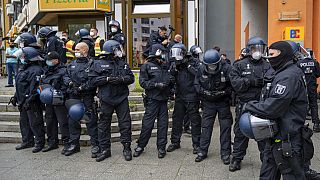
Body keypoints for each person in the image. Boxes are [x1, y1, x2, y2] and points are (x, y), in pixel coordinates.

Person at [244, 41, 308, 180]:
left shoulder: (288, 76)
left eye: (272, 55)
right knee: (267, 175)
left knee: (291, 175)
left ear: (283, 54)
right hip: (275, 137)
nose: (269, 58)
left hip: (287, 140)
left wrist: (249, 105)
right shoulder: (282, 72)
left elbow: (273, 107)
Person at [229, 37, 271, 172]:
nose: (257, 52)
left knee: (263, 132)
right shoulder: (239, 65)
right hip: (245, 104)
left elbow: (273, 82)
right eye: (254, 49)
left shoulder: (268, 65)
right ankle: (236, 158)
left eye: (260, 48)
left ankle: (266, 161)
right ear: (249, 49)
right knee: (240, 132)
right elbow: (235, 84)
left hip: (262, 104)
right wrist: (250, 81)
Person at [89, 40, 134, 162]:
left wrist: (121, 79)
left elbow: (131, 78)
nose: (120, 51)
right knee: (103, 125)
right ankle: (105, 149)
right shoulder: (98, 63)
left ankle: (126, 148)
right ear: (111, 50)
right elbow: (92, 81)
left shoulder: (122, 64)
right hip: (106, 98)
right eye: (117, 49)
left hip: (121, 98)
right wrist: (107, 79)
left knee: (125, 124)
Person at [194, 49, 233, 164]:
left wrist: (224, 93)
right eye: (209, 65)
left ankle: (225, 153)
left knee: (225, 128)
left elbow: (233, 85)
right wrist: (203, 92)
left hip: (223, 102)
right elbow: (196, 83)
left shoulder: (227, 68)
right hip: (208, 102)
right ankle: (202, 151)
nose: (211, 68)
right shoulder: (201, 68)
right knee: (206, 127)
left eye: (213, 65)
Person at [134, 44, 173, 159]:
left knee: (163, 125)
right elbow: (143, 83)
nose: (164, 56)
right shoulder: (146, 66)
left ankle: (161, 147)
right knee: (147, 125)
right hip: (152, 100)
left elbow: (169, 82)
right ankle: (141, 145)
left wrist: (171, 86)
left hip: (163, 100)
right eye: (162, 53)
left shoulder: (165, 67)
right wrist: (155, 85)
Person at [63, 42, 99, 157]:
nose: (76, 51)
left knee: (90, 121)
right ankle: (74, 145)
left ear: (84, 50)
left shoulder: (92, 63)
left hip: (87, 96)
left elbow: (94, 79)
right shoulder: (71, 64)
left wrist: (82, 87)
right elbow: (65, 75)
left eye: (78, 49)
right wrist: (70, 84)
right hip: (73, 96)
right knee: (72, 120)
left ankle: (95, 145)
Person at [166, 43, 201, 154]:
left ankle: (197, 144)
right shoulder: (175, 63)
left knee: (194, 121)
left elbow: (199, 74)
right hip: (180, 96)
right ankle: (175, 142)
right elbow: (171, 77)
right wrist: (175, 70)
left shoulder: (194, 61)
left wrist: (188, 66)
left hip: (192, 96)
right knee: (177, 120)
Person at [9, 47, 45, 153]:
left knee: (35, 123)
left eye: (23, 56)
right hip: (23, 101)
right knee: (24, 122)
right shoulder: (24, 68)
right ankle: (27, 141)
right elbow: (21, 85)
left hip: (31, 102)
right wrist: (16, 96)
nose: (21, 58)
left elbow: (35, 88)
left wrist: (30, 100)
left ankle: (39, 142)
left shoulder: (36, 70)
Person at [40, 51, 70, 154]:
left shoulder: (63, 71)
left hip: (59, 100)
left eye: (49, 60)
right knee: (50, 122)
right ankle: (52, 142)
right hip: (48, 101)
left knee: (63, 123)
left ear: (56, 61)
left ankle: (67, 143)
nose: (47, 62)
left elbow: (66, 85)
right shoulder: (47, 70)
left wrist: (60, 93)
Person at [296, 49, 320, 132]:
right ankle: (316, 124)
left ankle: (300, 125)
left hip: (302, 88)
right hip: (312, 88)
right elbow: (318, 74)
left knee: (300, 105)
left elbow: (296, 75)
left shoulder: (299, 63)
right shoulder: (315, 62)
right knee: (314, 105)